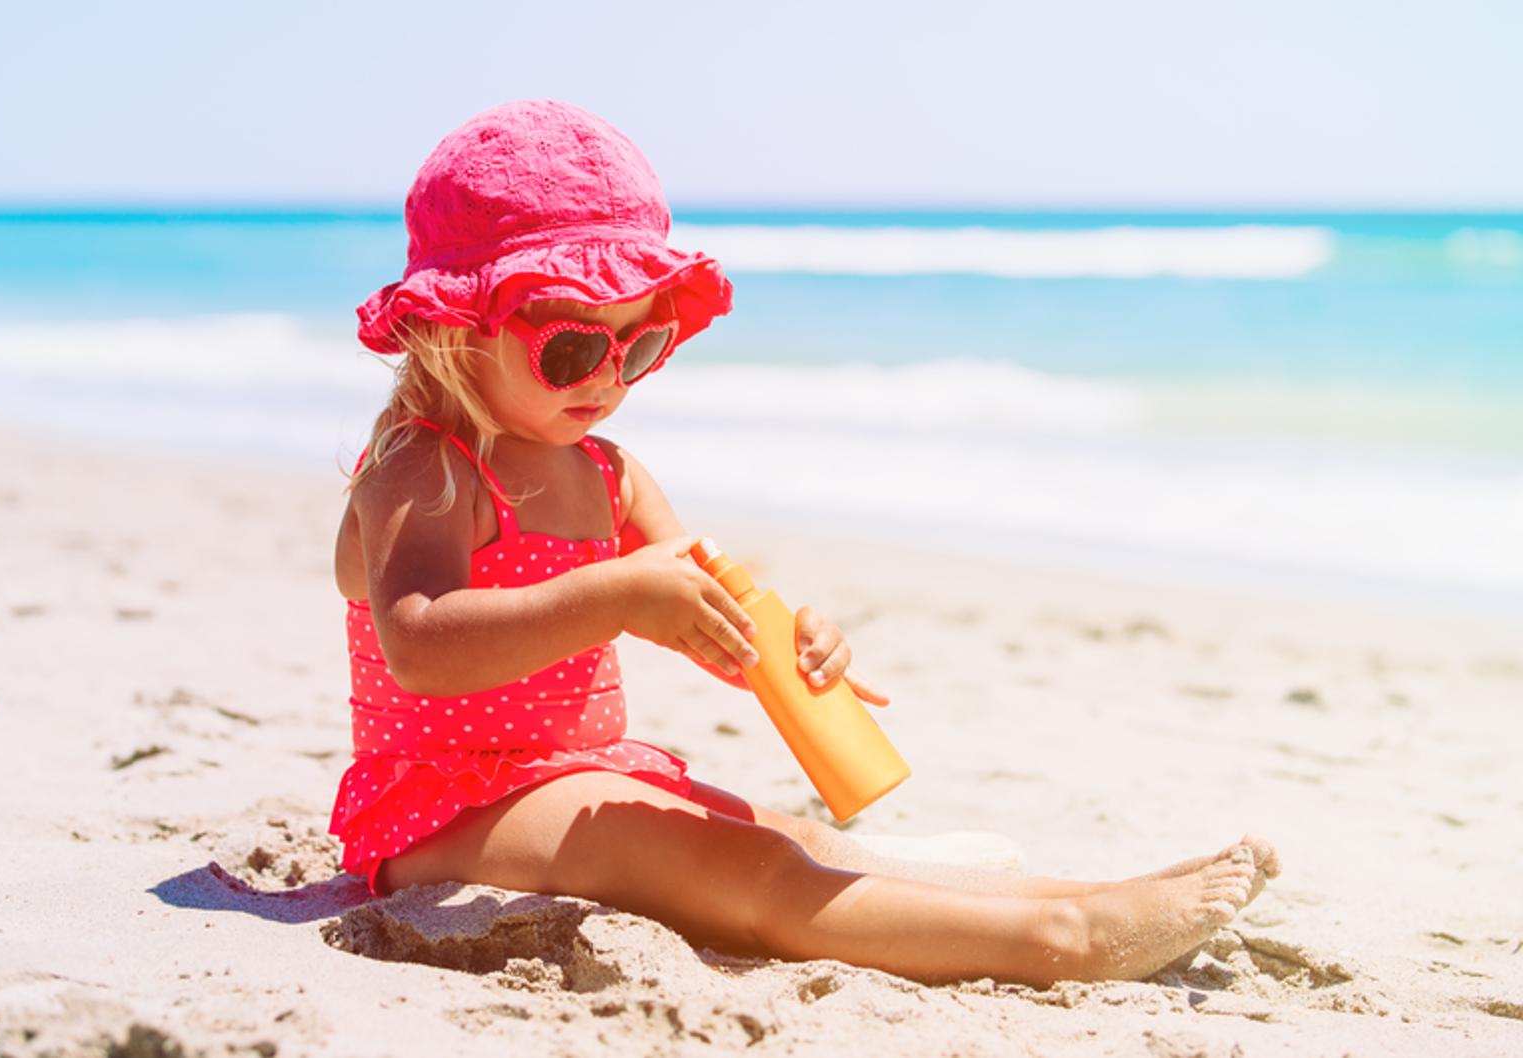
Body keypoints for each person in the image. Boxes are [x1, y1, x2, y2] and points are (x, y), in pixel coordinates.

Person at [328, 99, 1279, 987]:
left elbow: (718, 620)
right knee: (745, 872)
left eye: (641, 347)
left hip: (576, 774)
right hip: (441, 805)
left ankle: (1090, 897)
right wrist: (617, 597)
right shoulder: (426, 467)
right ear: (456, 325)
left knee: (797, 840)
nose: (610, 379)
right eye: (573, 348)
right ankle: (1060, 943)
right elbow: (418, 639)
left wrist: (792, 649)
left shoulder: (608, 473)